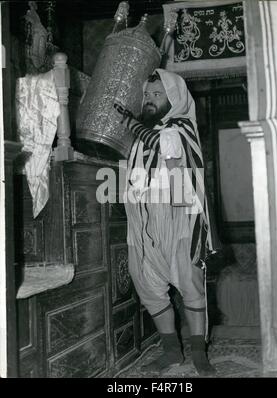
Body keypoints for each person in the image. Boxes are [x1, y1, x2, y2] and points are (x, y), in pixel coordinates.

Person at [114, 68, 216, 376]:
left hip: (178, 214)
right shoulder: (138, 137)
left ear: (174, 98)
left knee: (189, 281)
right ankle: (172, 351)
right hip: (142, 218)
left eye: (158, 95)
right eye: (146, 95)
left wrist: (132, 124)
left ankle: (199, 352)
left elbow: (166, 147)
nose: (149, 100)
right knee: (145, 282)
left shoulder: (181, 126)